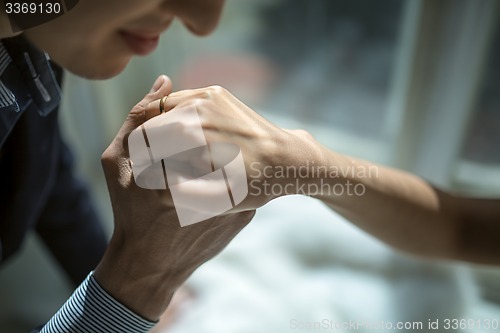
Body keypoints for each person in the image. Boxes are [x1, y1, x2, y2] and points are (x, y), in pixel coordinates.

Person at [1, 1, 254, 332]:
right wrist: (137, 286)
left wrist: (110, 279)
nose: (203, 23)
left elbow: (41, 167)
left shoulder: (31, 40)